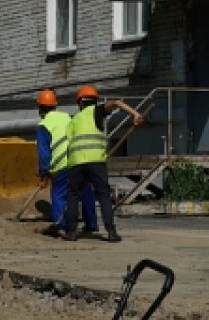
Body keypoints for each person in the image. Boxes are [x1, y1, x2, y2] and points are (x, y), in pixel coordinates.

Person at [62, 85, 146, 243]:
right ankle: (111, 232)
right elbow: (117, 103)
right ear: (95, 101)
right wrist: (135, 114)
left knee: (73, 196)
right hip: (96, 162)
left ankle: (71, 232)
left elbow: (69, 143)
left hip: (75, 163)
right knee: (103, 196)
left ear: (80, 103)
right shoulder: (97, 111)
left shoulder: (73, 120)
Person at [35, 89, 97, 237]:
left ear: (40, 109)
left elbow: (44, 153)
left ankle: (63, 226)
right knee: (85, 191)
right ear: (55, 106)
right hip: (80, 159)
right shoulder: (68, 117)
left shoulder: (43, 125)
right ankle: (91, 225)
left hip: (62, 165)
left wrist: (44, 173)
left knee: (58, 194)